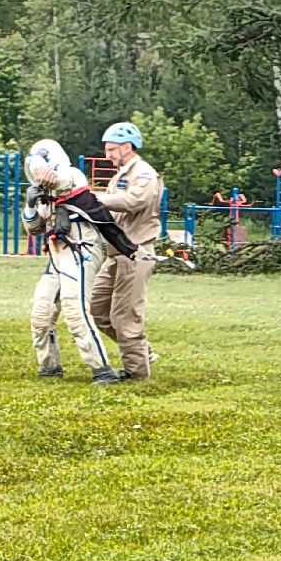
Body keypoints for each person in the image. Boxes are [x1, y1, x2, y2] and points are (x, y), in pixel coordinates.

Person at [22, 139, 120, 384]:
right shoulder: (45, 194)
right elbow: (34, 229)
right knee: (41, 311)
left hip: (81, 250)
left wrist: (41, 173)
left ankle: (102, 369)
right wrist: (31, 204)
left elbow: (61, 182)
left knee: (75, 310)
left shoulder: (73, 176)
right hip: (58, 254)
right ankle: (49, 365)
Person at [88, 121, 163, 384]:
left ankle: (137, 374)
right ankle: (141, 351)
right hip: (115, 253)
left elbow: (134, 201)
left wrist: (95, 198)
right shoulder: (119, 176)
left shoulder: (143, 173)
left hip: (135, 252)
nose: (107, 155)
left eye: (111, 150)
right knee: (97, 310)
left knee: (124, 315)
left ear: (127, 147)